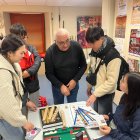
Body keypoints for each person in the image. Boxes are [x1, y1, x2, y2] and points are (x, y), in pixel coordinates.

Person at [0, 34, 34, 140]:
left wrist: (26, 100)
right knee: (18, 137)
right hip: (4, 117)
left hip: (10, 114)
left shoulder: (14, 65)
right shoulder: (2, 73)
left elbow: (18, 89)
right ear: (10, 53)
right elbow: (7, 104)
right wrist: (23, 122)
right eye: (21, 53)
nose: (24, 56)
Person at [44, 28, 87, 104]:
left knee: (73, 105)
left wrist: (75, 80)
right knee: (58, 106)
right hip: (57, 86)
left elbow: (83, 65)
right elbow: (49, 74)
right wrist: (60, 86)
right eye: (61, 43)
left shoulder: (76, 47)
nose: (65, 45)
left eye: (67, 41)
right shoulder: (50, 52)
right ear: (55, 42)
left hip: (73, 84)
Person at [86, 27, 121, 114]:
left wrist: (95, 94)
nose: (90, 46)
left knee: (103, 119)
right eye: (89, 43)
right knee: (96, 116)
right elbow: (93, 70)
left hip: (106, 94)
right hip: (96, 90)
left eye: (93, 43)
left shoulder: (114, 56)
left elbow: (111, 82)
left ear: (101, 39)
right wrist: (90, 85)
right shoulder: (95, 50)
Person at [99, 72, 140, 140]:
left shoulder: (138, 113)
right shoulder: (125, 96)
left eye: (123, 80)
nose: (120, 81)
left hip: (119, 135)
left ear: (131, 88)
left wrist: (111, 132)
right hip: (112, 127)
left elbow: (133, 138)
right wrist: (109, 116)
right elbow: (120, 114)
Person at [10, 23, 41, 107]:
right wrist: (20, 75)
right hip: (18, 90)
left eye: (25, 37)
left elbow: (38, 60)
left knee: (34, 109)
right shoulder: (9, 53)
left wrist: (29, 72)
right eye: (20, 38)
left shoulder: (31, 48)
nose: (24, 40)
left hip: (33, 86)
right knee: (22, 112)